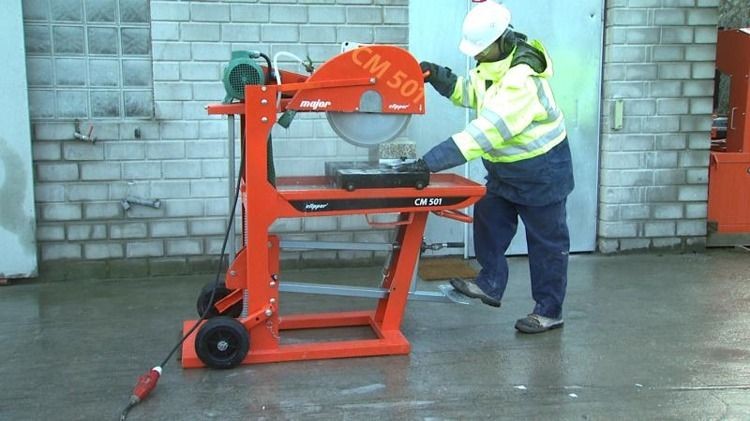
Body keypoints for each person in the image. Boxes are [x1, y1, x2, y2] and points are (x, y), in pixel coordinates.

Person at [402, 0, 574, 334]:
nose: (476, 55)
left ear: (502, 39)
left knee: (547, 245)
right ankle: (490, 282)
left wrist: (428, 163)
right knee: (488, 220)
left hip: (543, 171)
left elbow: (484, 133)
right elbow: (472, 94)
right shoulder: (492, 65)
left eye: (481, 48)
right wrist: (439, 77)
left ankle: (548, 311)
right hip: (505, 171)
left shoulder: (521, 79)